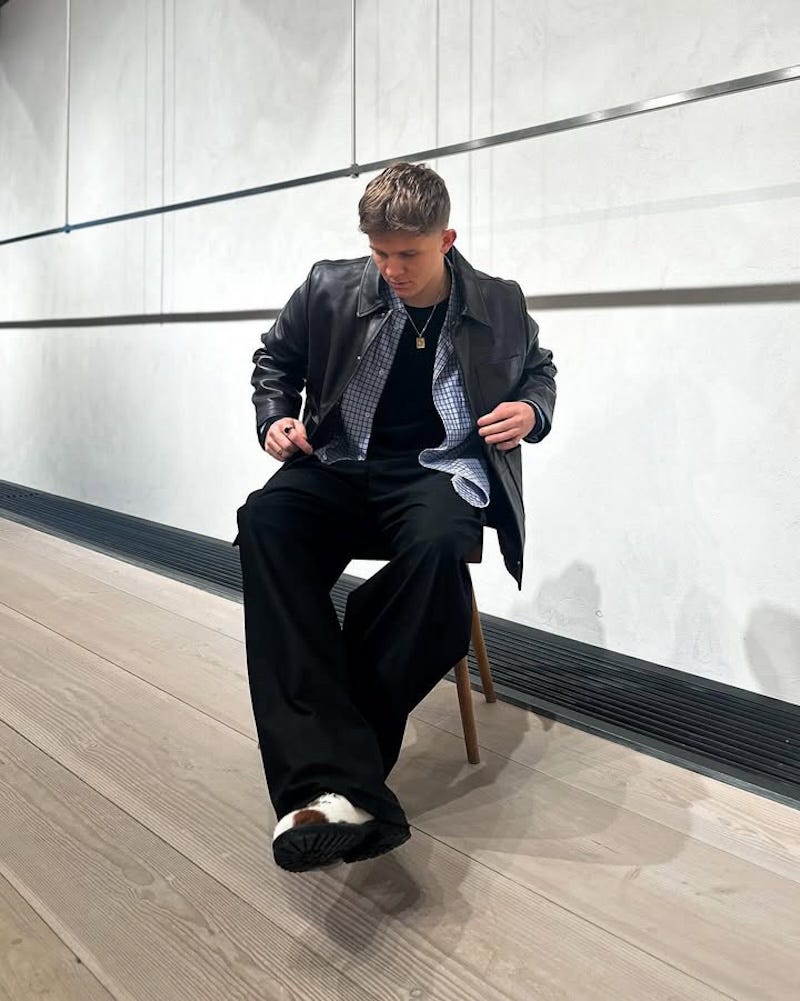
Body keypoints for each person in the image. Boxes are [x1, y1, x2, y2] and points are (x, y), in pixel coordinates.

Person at [235, 162, 556, 873]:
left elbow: (541, 368)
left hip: (437, 471)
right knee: (265, 522)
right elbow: (274, 359)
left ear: (447, 239)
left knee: (441, 553)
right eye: (380, 254)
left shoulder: (499, 301)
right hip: (341, 465)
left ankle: (324, 770)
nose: (391, 270)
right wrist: (275, 418)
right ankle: (339, 781)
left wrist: (533, 410)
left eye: (407, 255)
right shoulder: (329, 284)